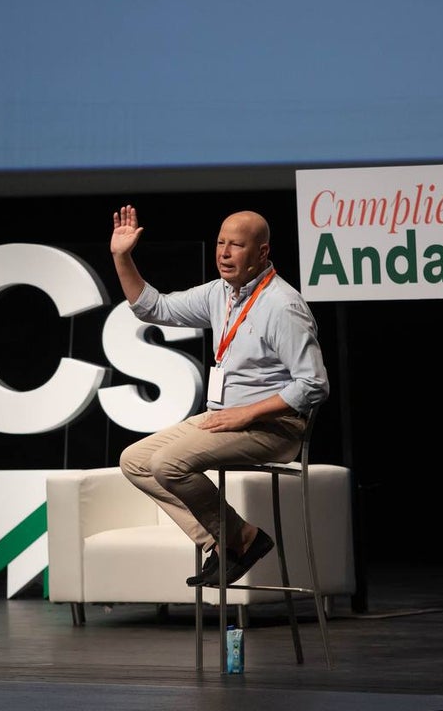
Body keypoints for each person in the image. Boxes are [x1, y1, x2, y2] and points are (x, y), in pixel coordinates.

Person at [110, 204, 329, 588]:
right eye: (220, 243)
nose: (224, 254)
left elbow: (313, 384)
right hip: (224, 418)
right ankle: (227, 542)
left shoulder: (282, 306)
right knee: (135, 461)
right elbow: (153, 308)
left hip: (272, 427)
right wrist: (122, 257)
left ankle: (239, 540)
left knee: (167, 464)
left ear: (261, 252)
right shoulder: (220, 293)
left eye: (236, 245)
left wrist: (248, 414)